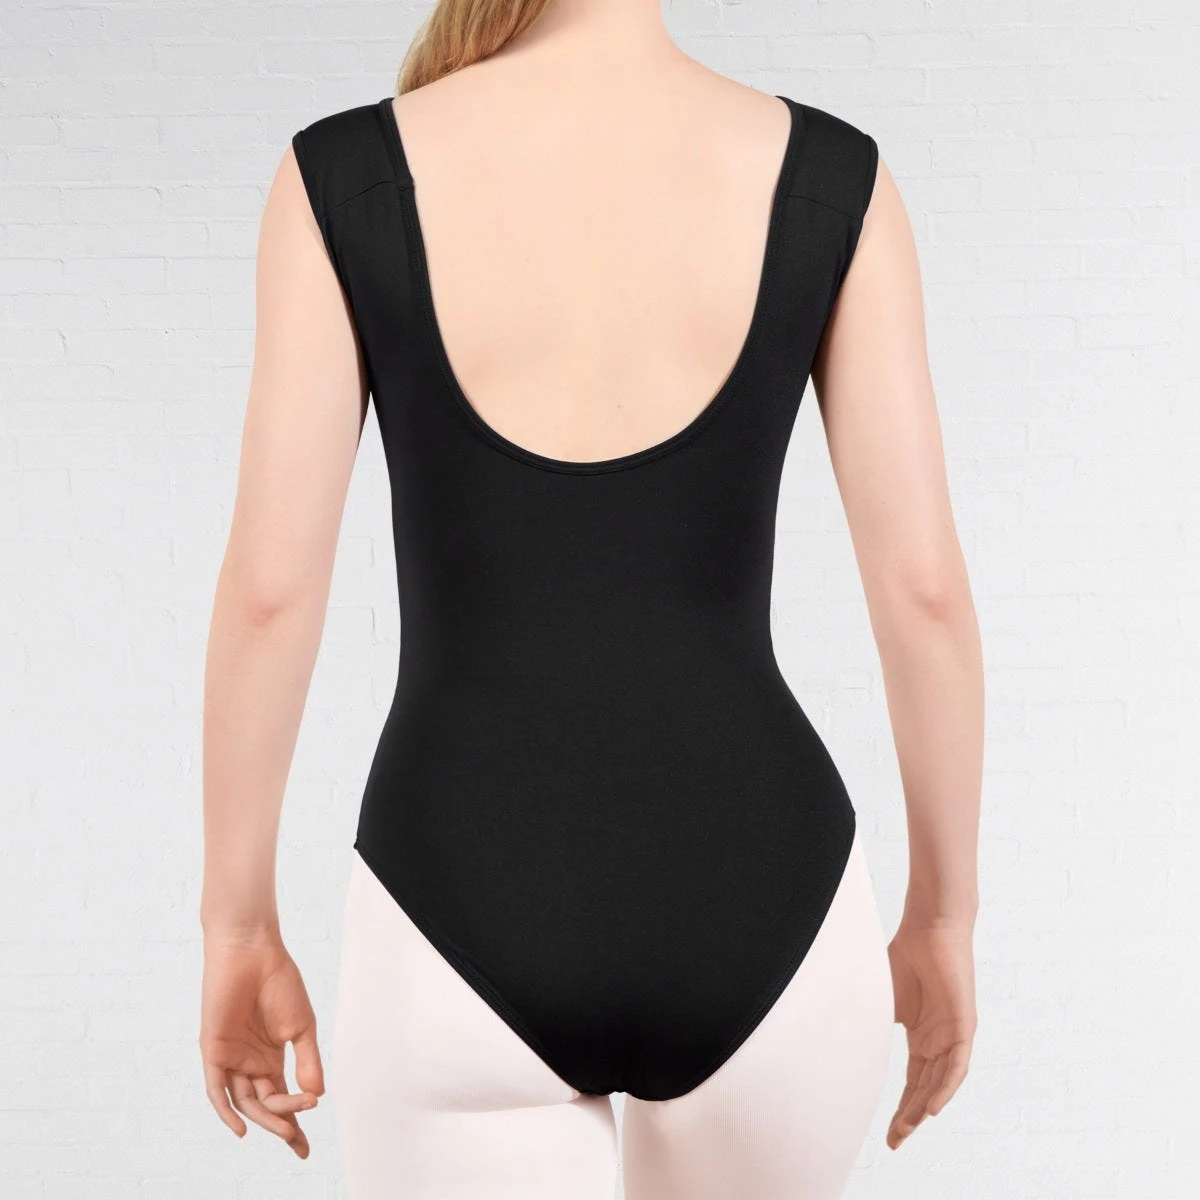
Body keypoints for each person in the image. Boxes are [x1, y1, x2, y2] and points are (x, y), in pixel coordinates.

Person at [198, 1, 982, 1196]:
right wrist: (943, 918)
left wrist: (238, 925)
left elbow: (269, 593)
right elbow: (922, 593)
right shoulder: (833, 180)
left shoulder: (344, 177)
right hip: (764, 882)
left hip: (455, 880)